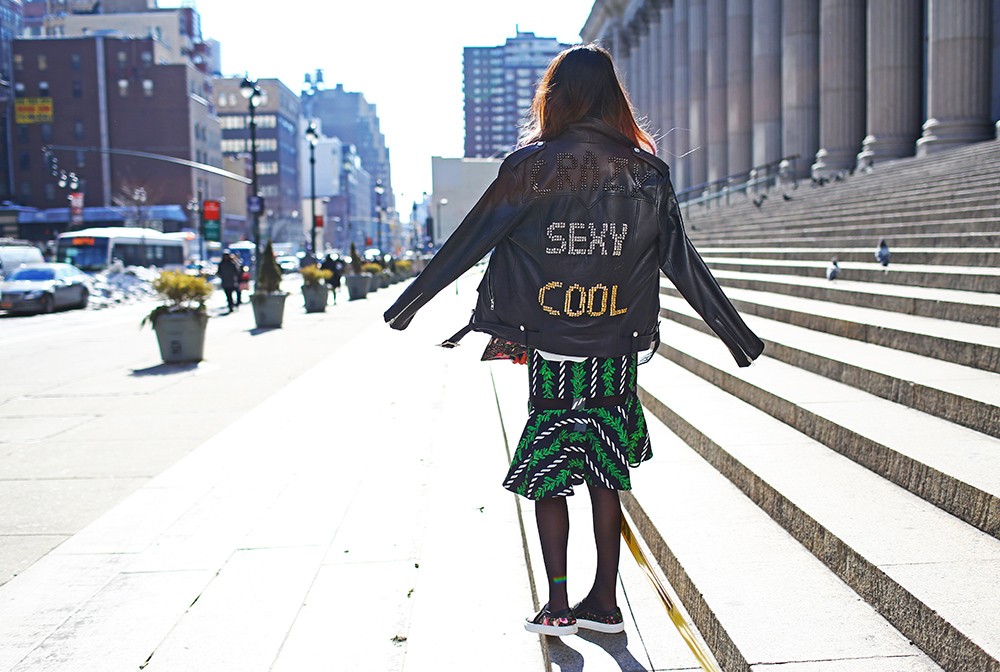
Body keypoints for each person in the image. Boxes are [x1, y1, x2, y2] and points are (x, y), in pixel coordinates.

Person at [383, 44, 764, 637]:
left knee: (549, 473)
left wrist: (409, 304)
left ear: (556, 98)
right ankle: (605, 603)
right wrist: (737, 336)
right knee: (607, 471)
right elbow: (683, 263)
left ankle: (558, 604)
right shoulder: (647, 174)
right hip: (616, 346)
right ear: (614, 98)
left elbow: (469, 241)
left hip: (553, 344)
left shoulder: (528, 168)